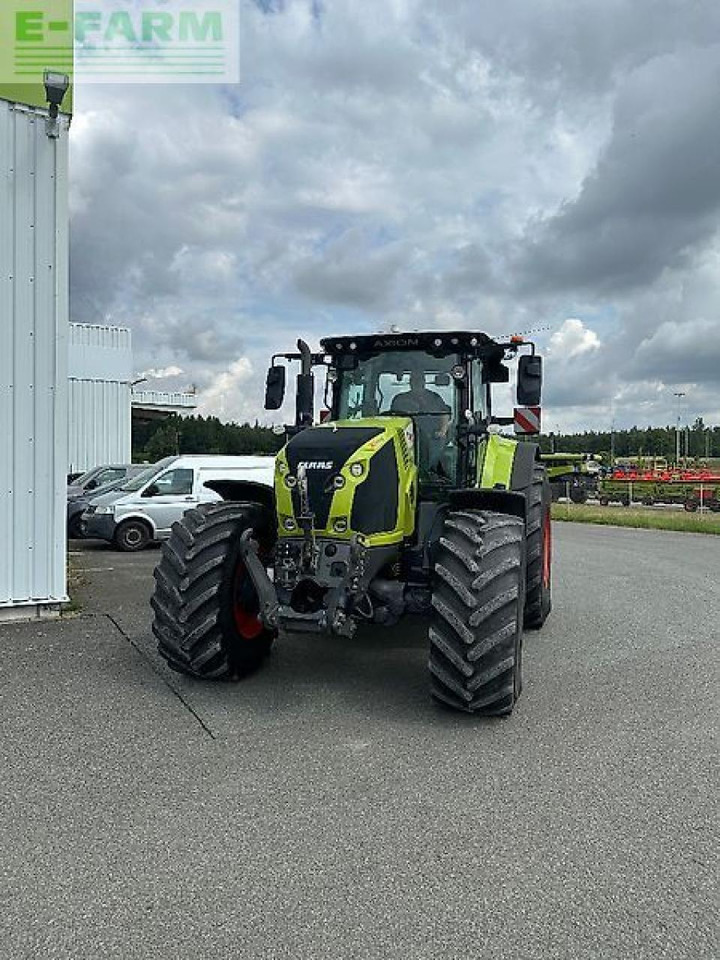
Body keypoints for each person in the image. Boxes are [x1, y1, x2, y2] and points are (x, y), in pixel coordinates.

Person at [391, 367, 452, 477]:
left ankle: (431, 473)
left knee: (433, 457)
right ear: (410, 382)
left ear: (424, 381)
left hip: (432, 437)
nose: (417, 383)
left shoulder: (435, 398)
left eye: (419, 380)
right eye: (414, 380)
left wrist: (442, 431)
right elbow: (392, 419)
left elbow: (444, 414)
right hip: (406, 437)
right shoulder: (400, 399)